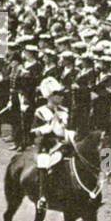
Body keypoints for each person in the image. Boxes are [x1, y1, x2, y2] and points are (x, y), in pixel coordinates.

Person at [32, 77, 74, 211]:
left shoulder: (65, 110)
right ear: (50, 97)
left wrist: (68, 132)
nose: (61, 97)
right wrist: (49, 126)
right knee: (44, 161)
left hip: (64, 142)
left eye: (61, 95)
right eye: (58, 95)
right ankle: (42, 196)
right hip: (47, 144)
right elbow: (34, 132)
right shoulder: (40, 111)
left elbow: (68, 128)